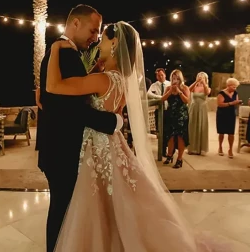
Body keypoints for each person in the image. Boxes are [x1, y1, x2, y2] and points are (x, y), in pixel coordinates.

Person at [47, 21, 227, 251]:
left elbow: (53, 86)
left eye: (102, 39)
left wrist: (54, 49)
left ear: (114, 42)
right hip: (113, 143)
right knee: (119, 204)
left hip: (96, 148)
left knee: (99, 206)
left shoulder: (102, 80)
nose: (98, 43)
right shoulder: (121, 79)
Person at [38, 4, 122, 252]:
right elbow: (69, 108)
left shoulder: (66, 54)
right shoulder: (63, 53)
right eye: (93, 30)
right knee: (61, 211)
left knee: (66, 210)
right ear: (76, 23)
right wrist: (111, 122)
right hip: (62, 150)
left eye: (99, 34)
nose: (95, 38)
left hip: (61, 148)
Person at [162, 69, 190, 169]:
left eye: (177, 78)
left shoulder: (185, 88)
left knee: (180, 137)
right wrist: (170, 92)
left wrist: (179, 92)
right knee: (170, 136)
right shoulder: (168, 88)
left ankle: (179, 159)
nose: (175, 80)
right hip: (170, 115)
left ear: (180, 79)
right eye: (173, 78)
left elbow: (187, 101)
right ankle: (169, 155)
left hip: (181, 116)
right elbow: (162, 99)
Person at [216, 78, 242, 158]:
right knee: (222, 132)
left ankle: (230, 149)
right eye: (234, 87)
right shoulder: (221, 93)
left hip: (231, 114)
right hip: (222, 114)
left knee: (231, 133)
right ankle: (220, 147)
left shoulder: (235, 93)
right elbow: (220, 104)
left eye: (236, 87)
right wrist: (231, 103)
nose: (235, 89)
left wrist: (238, 103)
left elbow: (235, 102)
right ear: (228, 86)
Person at [188, 72, 211, 155]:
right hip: (194, 108)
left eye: (202, 78)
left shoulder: (207, 87)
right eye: (199, 77)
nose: (200, 79)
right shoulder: (195, 87)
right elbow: (188, 90)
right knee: (192, 127)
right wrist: (196, 82)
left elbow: (207, 92)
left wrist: (204, 83)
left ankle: (201, 149)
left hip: (202, 108)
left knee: (201, 127)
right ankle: (191, 148)